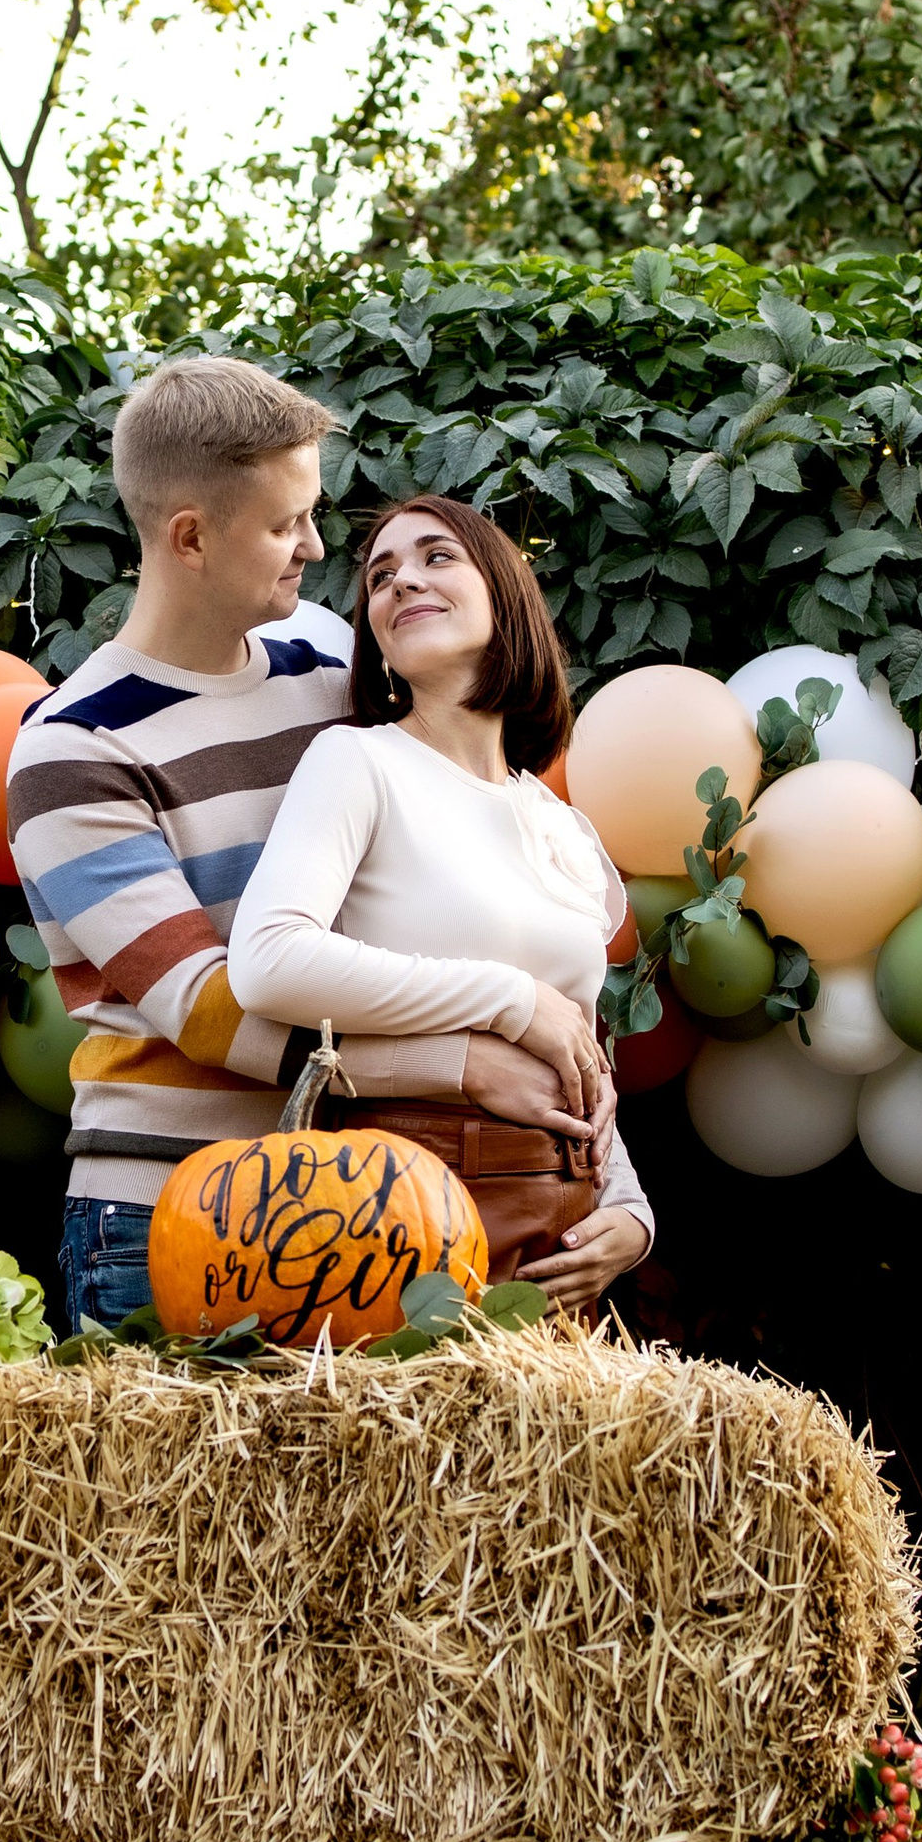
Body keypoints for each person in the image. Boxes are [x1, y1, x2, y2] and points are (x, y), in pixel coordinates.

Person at [5, 361, 613, 1334]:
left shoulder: (328, 659)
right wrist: (458, 1061)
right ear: (190, 537)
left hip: (347, 1202)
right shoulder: (71, 749)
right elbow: (208, 1008)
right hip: (162, 1204)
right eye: (285, 523)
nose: (314, 546)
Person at [225, 493, 654, 1309]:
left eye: (436, 557)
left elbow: (575, 1051)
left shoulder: (561, 823)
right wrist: (508, 999)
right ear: (379, 643)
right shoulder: (357, 762)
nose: (401, 582)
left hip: (563, 1231)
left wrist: (629, 1214)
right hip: (403, 1201)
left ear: (504, 597)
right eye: (380, 576)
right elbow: (269, 961)